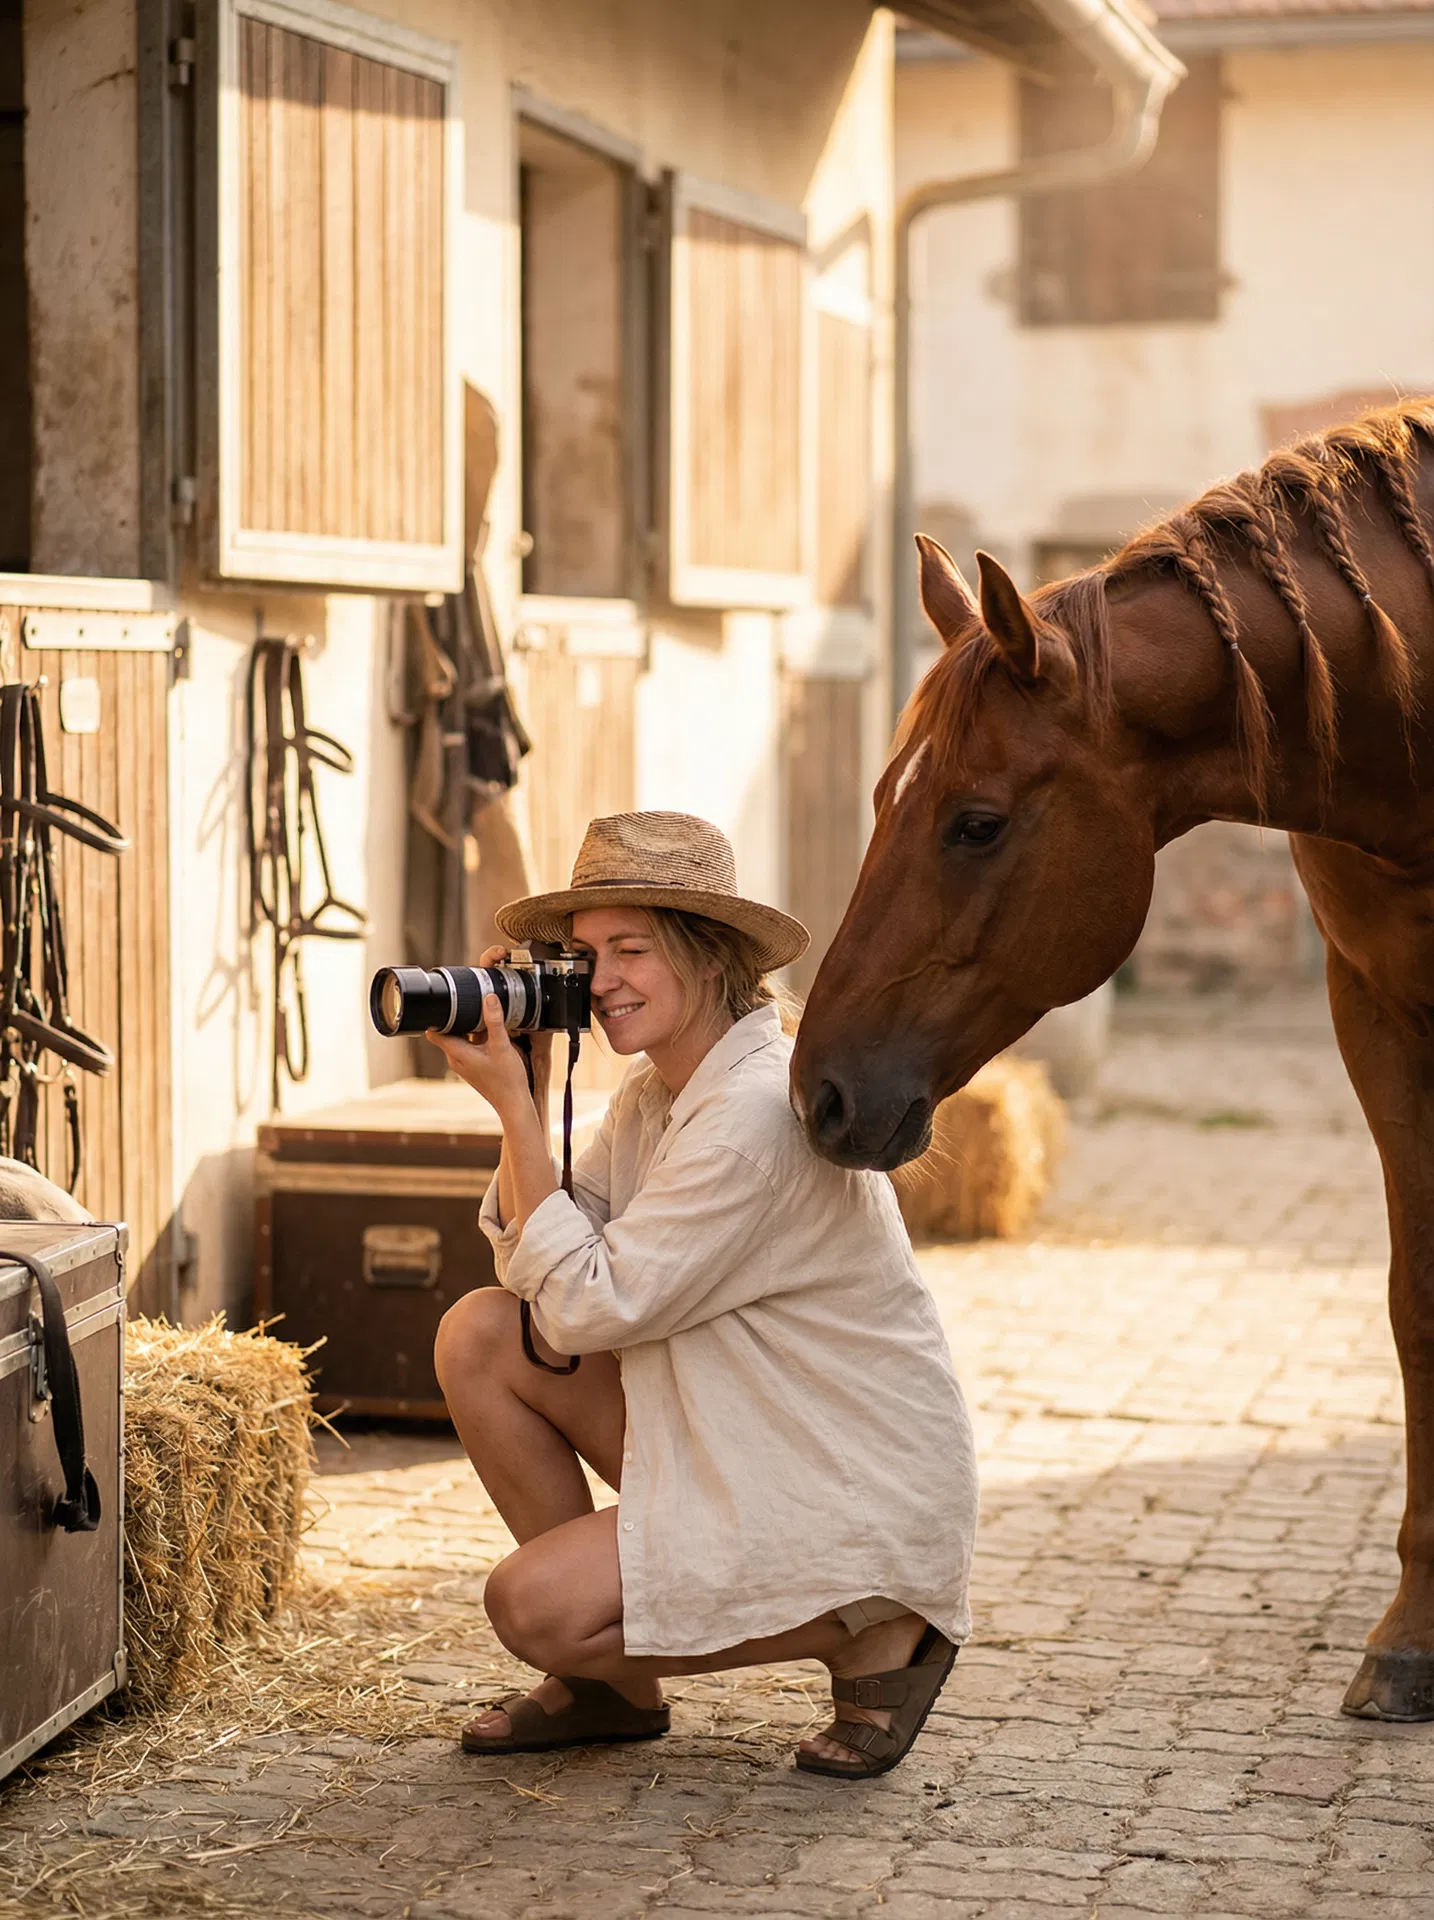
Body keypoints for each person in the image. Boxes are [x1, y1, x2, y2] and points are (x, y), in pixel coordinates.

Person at [431, 811, 978, 1778]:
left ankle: (876, 1623)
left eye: (631, 949)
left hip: (837, 1482)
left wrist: (514, 1107)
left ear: (713, 956)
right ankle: (612, 1686)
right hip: (738, 1433)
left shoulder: (753, 1117)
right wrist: (532, 1084)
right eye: (583, 954)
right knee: (482, 1336)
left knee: (531, 1609)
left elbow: (588, 1306)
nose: (597, 983)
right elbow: (530, 1254)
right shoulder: (659, 1095)